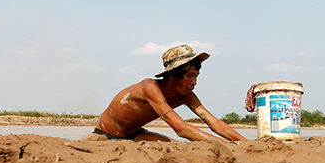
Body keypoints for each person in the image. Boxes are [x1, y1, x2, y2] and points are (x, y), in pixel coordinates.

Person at [82, 44, 247, 143]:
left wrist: (243, 143)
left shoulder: (186, 95)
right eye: (190, 76)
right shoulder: (149, 87)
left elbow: (213, 122)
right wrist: (224, 145)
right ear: (173, 75)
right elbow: (181, 128)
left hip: (135, 135)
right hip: (105, 134)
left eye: (196, 76)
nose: (194, 82)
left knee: (176, 145)